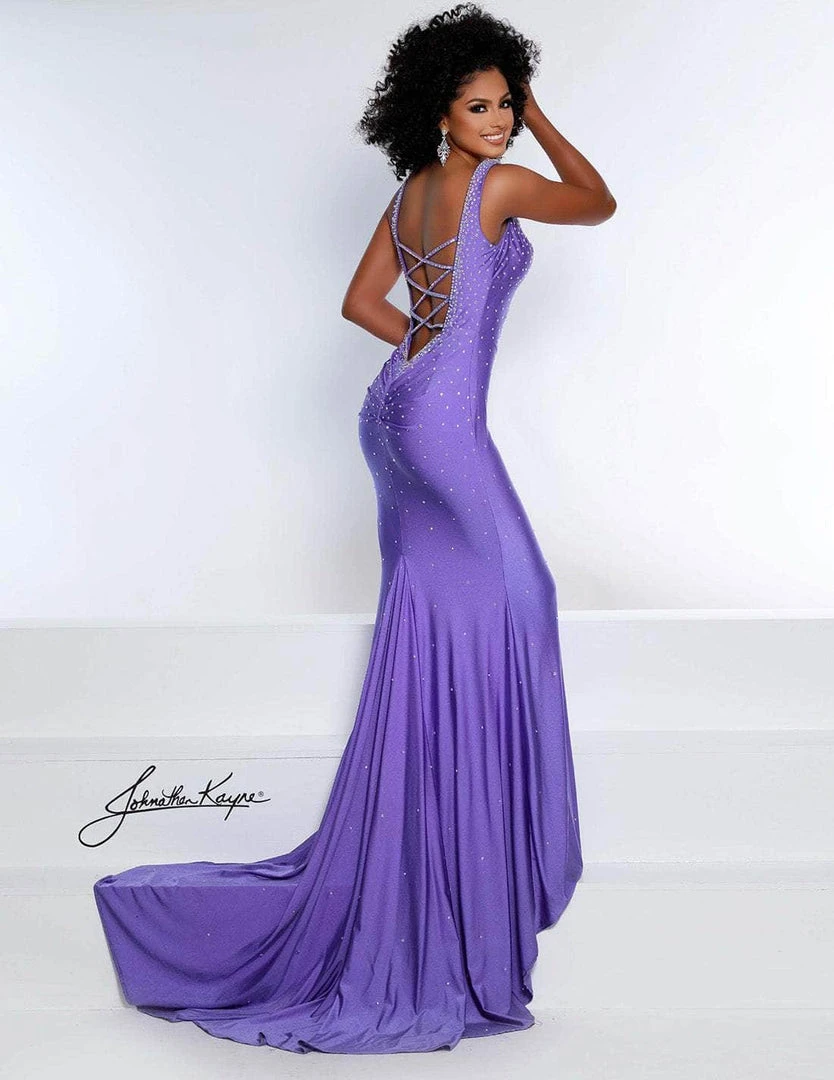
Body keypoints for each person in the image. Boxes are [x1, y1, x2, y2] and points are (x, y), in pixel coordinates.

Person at [93, 3, 615, 1056]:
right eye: (483, 106)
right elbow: (598, 203)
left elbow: (361, 302)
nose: (502, 123)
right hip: (442, 427)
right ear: (440, 111)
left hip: (391, 412)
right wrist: (550, 120)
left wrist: (426, 341)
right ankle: (475, 867)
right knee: (521, 602)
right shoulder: (500, 186)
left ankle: (455, 859)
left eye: (509, 106)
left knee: (445, 619)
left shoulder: (411, 192)